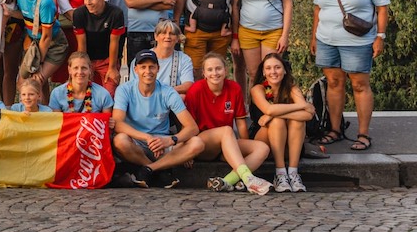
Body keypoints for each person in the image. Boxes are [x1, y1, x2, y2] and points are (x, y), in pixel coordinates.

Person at [311, 0, 390, 151]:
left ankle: (363, 134)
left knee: (359, 85)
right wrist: (314, 36)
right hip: (327, 39)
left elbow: (382, 8)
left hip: (357, 41)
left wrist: (380, 37)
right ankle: (335, 130)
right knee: (335, 85)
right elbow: (318, 8)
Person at [112, 49, 203, 189]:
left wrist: (170, 140)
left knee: (197, 143)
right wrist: (147, 137)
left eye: (151, 67)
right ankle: (159, 170)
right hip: (137, 144)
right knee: (120, 140)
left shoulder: (168, 91)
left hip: (163, 144)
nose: (147, 71)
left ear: (158, 69)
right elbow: (118, 124)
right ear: (135, 70)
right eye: (143, 67)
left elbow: (192, 127)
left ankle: (149, 170)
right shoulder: (124, 90)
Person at [185, 53, 272, 195]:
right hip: (204, 143)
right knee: (226, 130)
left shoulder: (234, 88)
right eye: (210, 70)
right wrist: (187, 151)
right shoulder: (196, 90)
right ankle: (248, 178)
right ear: (204, 73)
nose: (215, 73)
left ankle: (225, 182)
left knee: (262, 148)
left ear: (225, 70)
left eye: (218, 69)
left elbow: (241, 122)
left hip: (227, 141)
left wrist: (244, 145)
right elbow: (187, 124)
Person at [250, 53, 313, 193]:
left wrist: (273, 115)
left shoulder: (292, 88)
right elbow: (268, 109)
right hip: (264, 142)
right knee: (277, 121)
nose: (273, 72)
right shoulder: (258, 89)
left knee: (298, 121)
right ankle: (280, 174)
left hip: (289, 145)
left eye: (277, 67)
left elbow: (308, 115)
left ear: (284, 70)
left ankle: (293, 173)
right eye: (268, 68)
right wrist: (301, 105)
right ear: (263, 72)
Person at [15, 0, 68, 99]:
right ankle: (41, 110)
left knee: (36, 81)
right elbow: (26, 16)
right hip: (34, 42)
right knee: (22, 83)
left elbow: (46, 37)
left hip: (53, 44)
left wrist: (37, 64)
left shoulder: (45, 2)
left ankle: (44, 113)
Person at [70, 0, 125, 95]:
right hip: (88, 58)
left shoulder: (116, 13)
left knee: (109, 93)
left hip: (108, 59)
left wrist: (113, 67)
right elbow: (81, 44)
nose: (88, 2)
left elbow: (114, 42)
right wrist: (82, 66)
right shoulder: (79, 14)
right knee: (83, 92)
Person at [48, 52, 114, 114]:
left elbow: (106, 122)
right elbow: (56, 122)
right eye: (76, 68)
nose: (80, 72)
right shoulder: (57, 93)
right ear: (69, 70)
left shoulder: (102, 94)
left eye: (84, 68)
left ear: (90, 70)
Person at [152, 19, 194, 95]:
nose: (167, 36)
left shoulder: (184, 59)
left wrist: (164, 91)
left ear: (177, 38)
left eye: (172, 34)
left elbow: (188, 85)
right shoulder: (144, 58)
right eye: (163, 33)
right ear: (156, 36)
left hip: (172, 98)